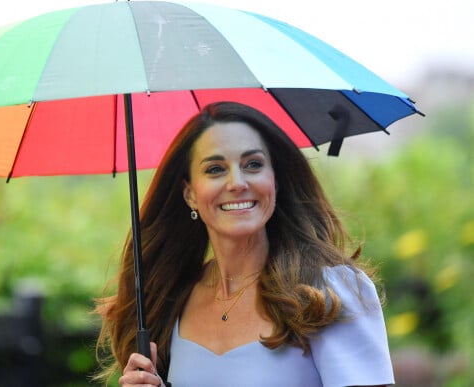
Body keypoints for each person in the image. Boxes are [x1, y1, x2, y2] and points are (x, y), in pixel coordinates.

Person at [95, 101, 395, 387]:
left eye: (252, 164)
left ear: (275, 181)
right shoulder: (170, 299)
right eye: (215, 169)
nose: (237, 182)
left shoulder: (329, 292)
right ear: (190, 195)